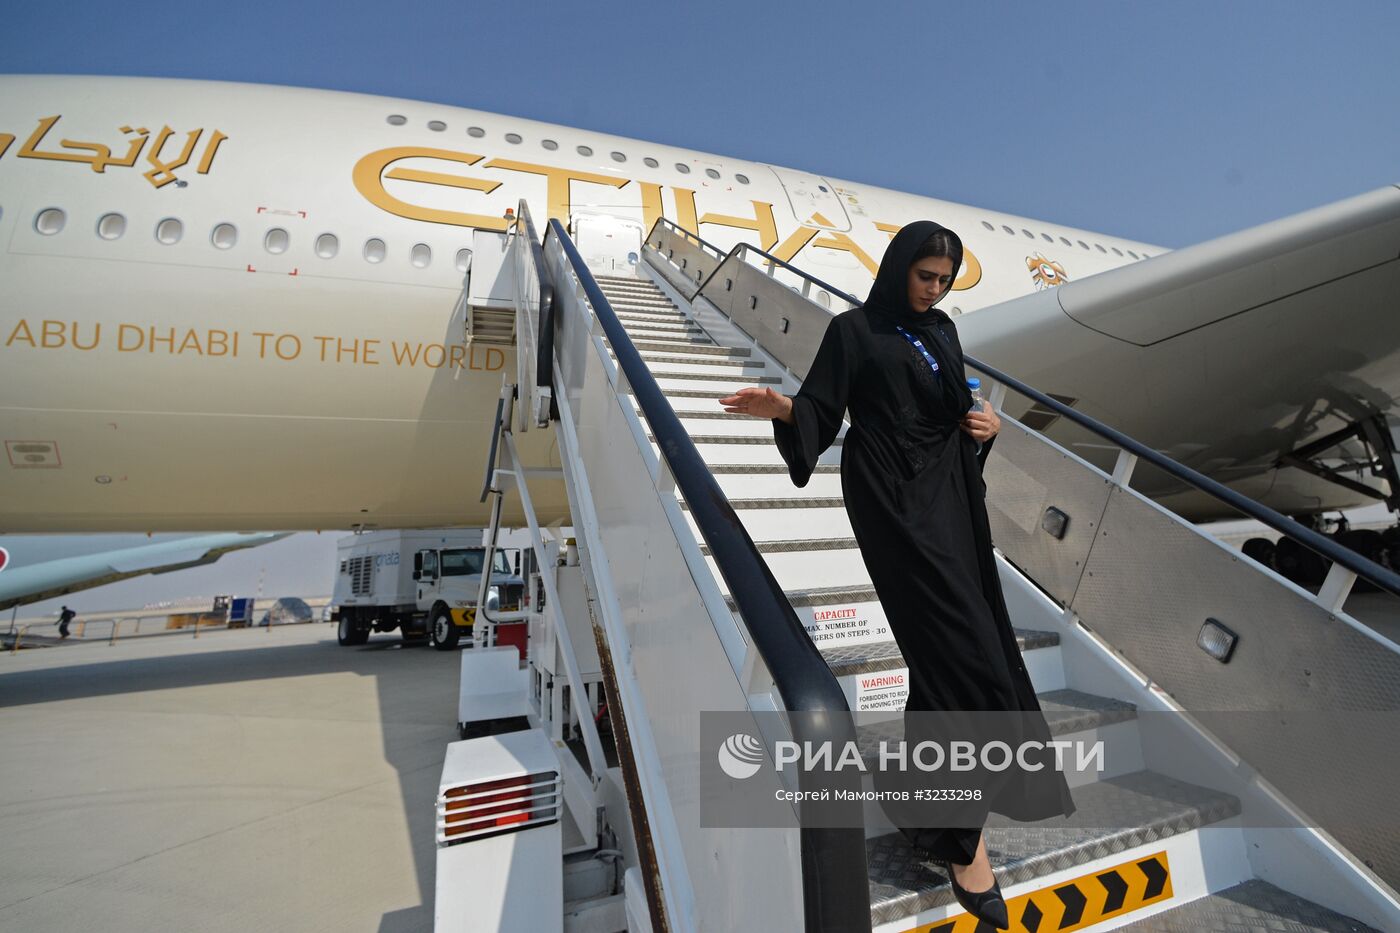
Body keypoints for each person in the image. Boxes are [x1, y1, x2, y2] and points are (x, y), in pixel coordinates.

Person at [720, 221, 1074, 929]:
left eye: (943, 279)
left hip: (950, 498)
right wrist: (785, 408)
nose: (934, 289)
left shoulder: (942, 329)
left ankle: (929, 804)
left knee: (966, 654)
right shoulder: (854, 331)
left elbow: (956, 408)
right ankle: (958, 844)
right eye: (925, 276)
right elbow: (823, 408)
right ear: (897, 268)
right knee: (962, 661)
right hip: (891, 499)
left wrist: (987, 427)